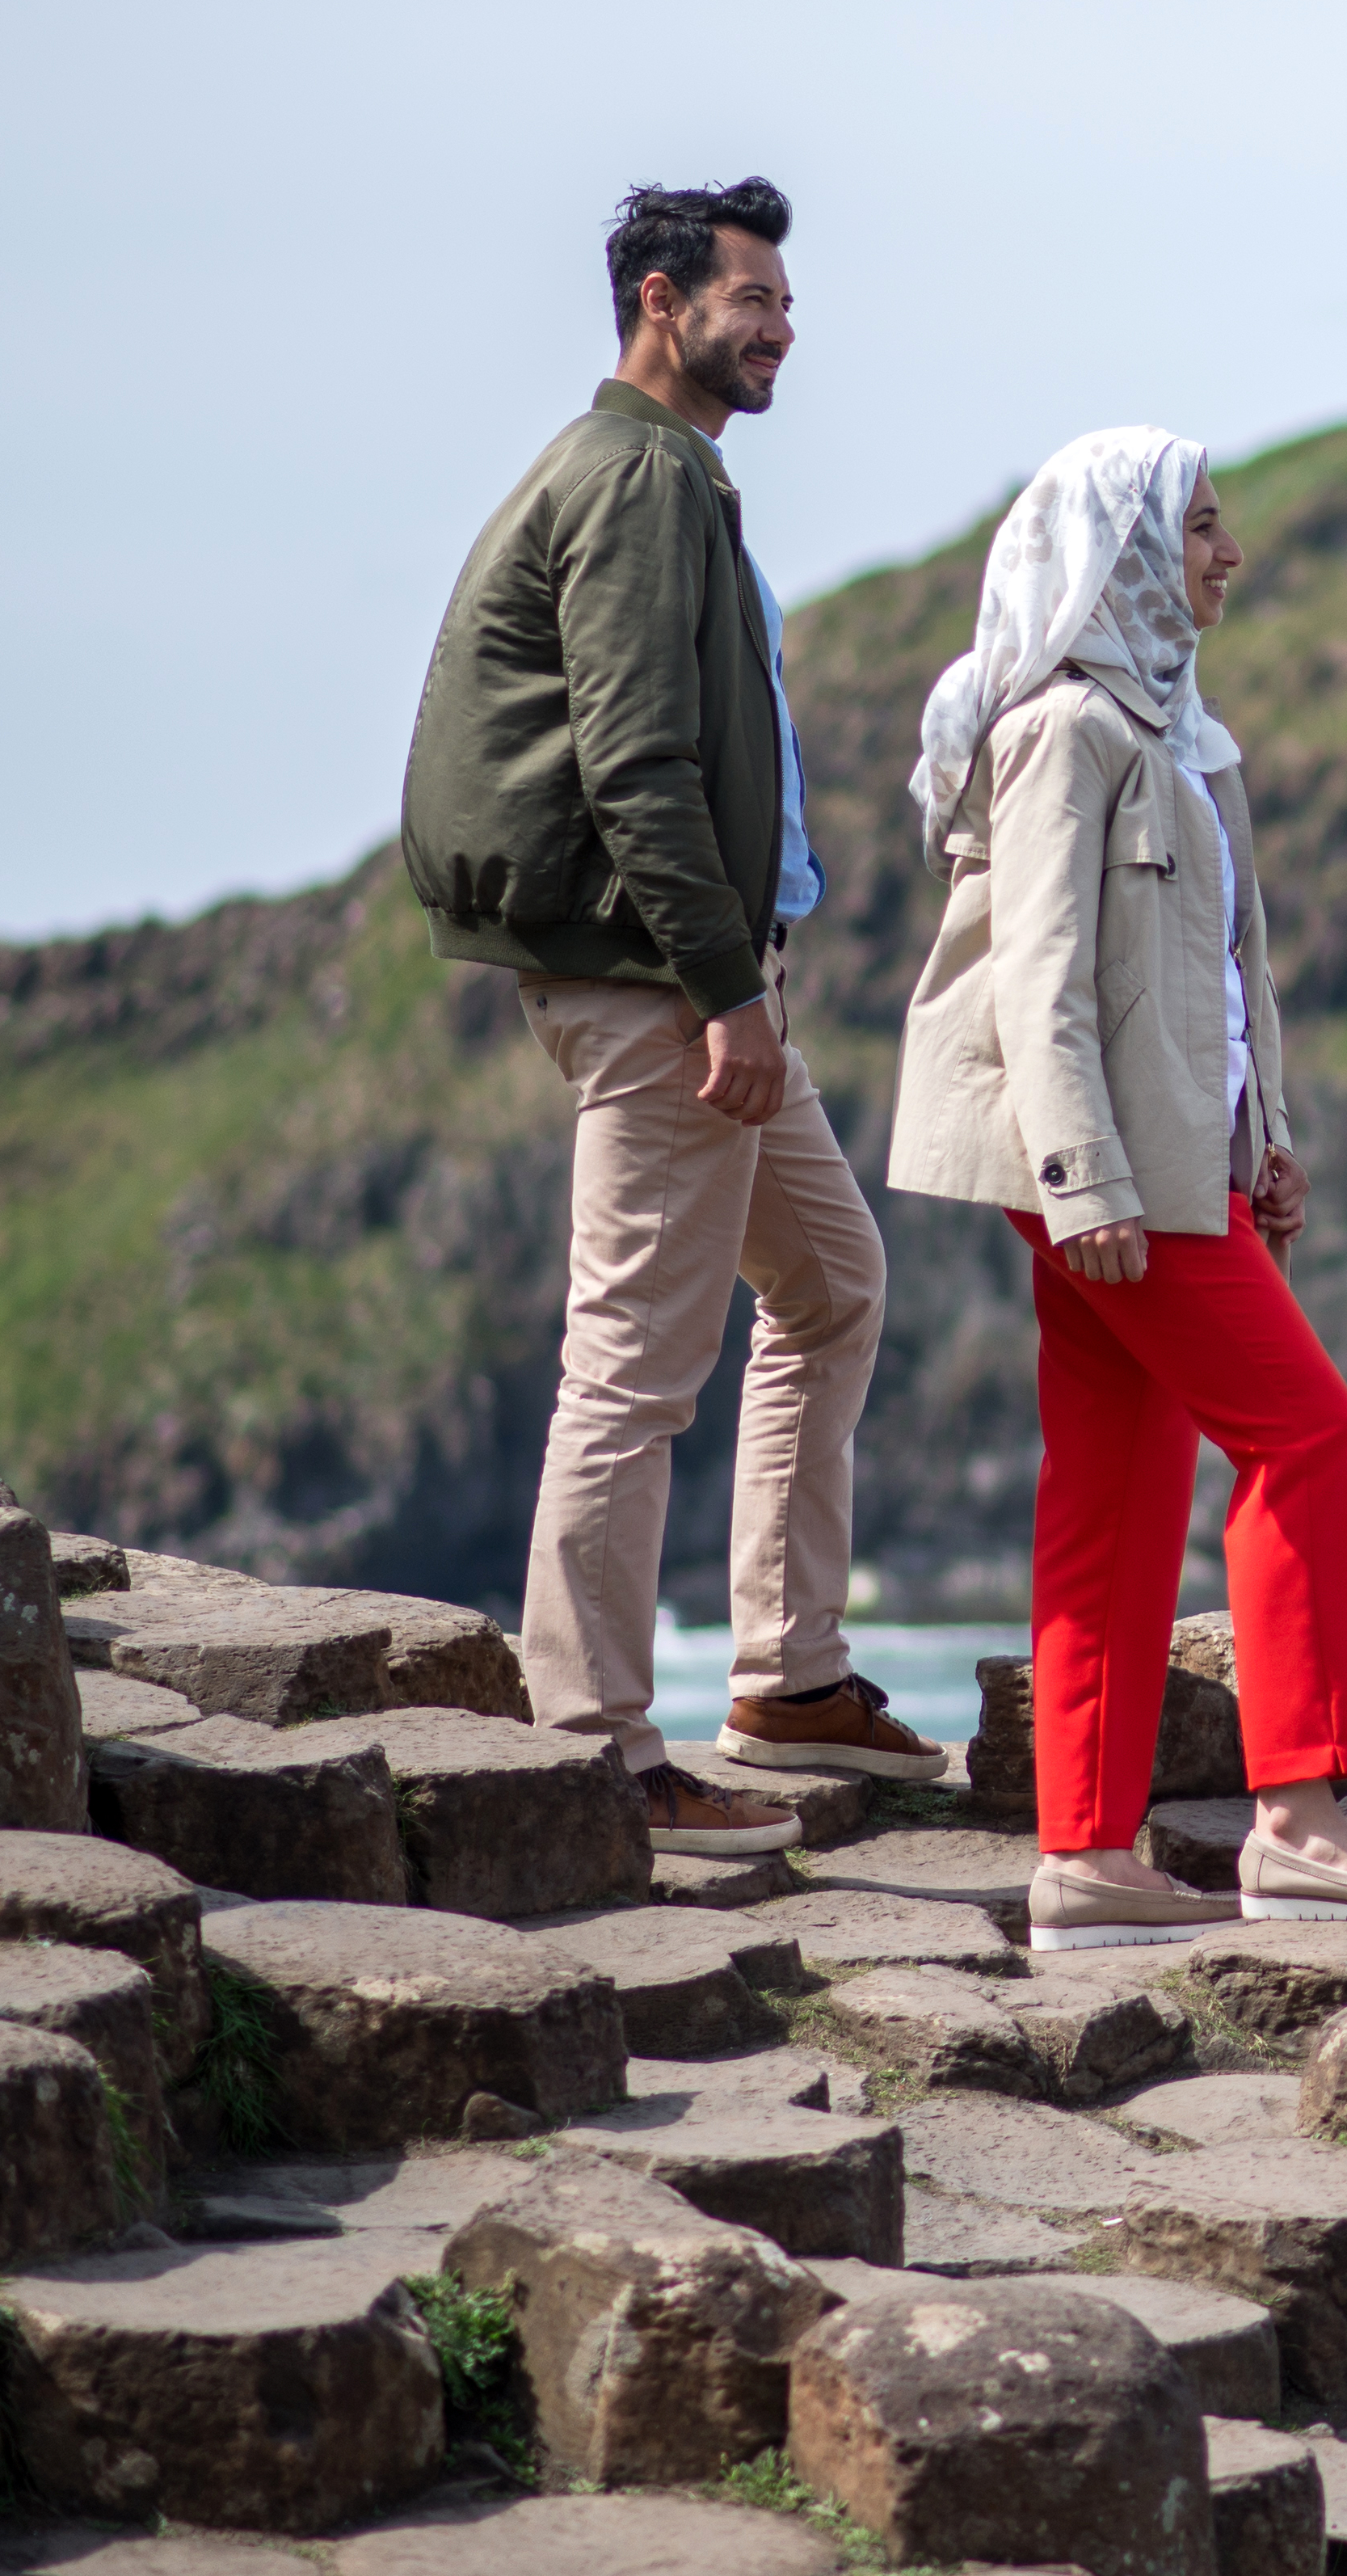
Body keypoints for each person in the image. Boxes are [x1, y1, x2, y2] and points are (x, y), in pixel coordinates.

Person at [399, 178, 945, 1848]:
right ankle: (595, 1742)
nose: (781, 329)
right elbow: (635, 758)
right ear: (661, 299)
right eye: (752, 299)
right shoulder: (635, 478)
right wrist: (723, 991)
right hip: (663, 987)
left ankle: (787, 1675)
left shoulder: (669, 474)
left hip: (703, 978)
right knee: (633, 1362)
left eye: (785, 303)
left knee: (831, 1280)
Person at [886, 427, 1347, 1948]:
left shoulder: (1180, 732)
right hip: (1106, 1179)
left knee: (1118, 1484)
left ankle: (1086, 1857)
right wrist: (1085, 1180)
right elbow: (1041, 982)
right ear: (1125, 549)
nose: (1230, 552)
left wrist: (1259, 1135)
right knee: (1307, 1434)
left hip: (1167, 1170)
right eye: (1202, 525)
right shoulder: (1064, 730)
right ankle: (1303, 1825)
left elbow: (1216, 978)